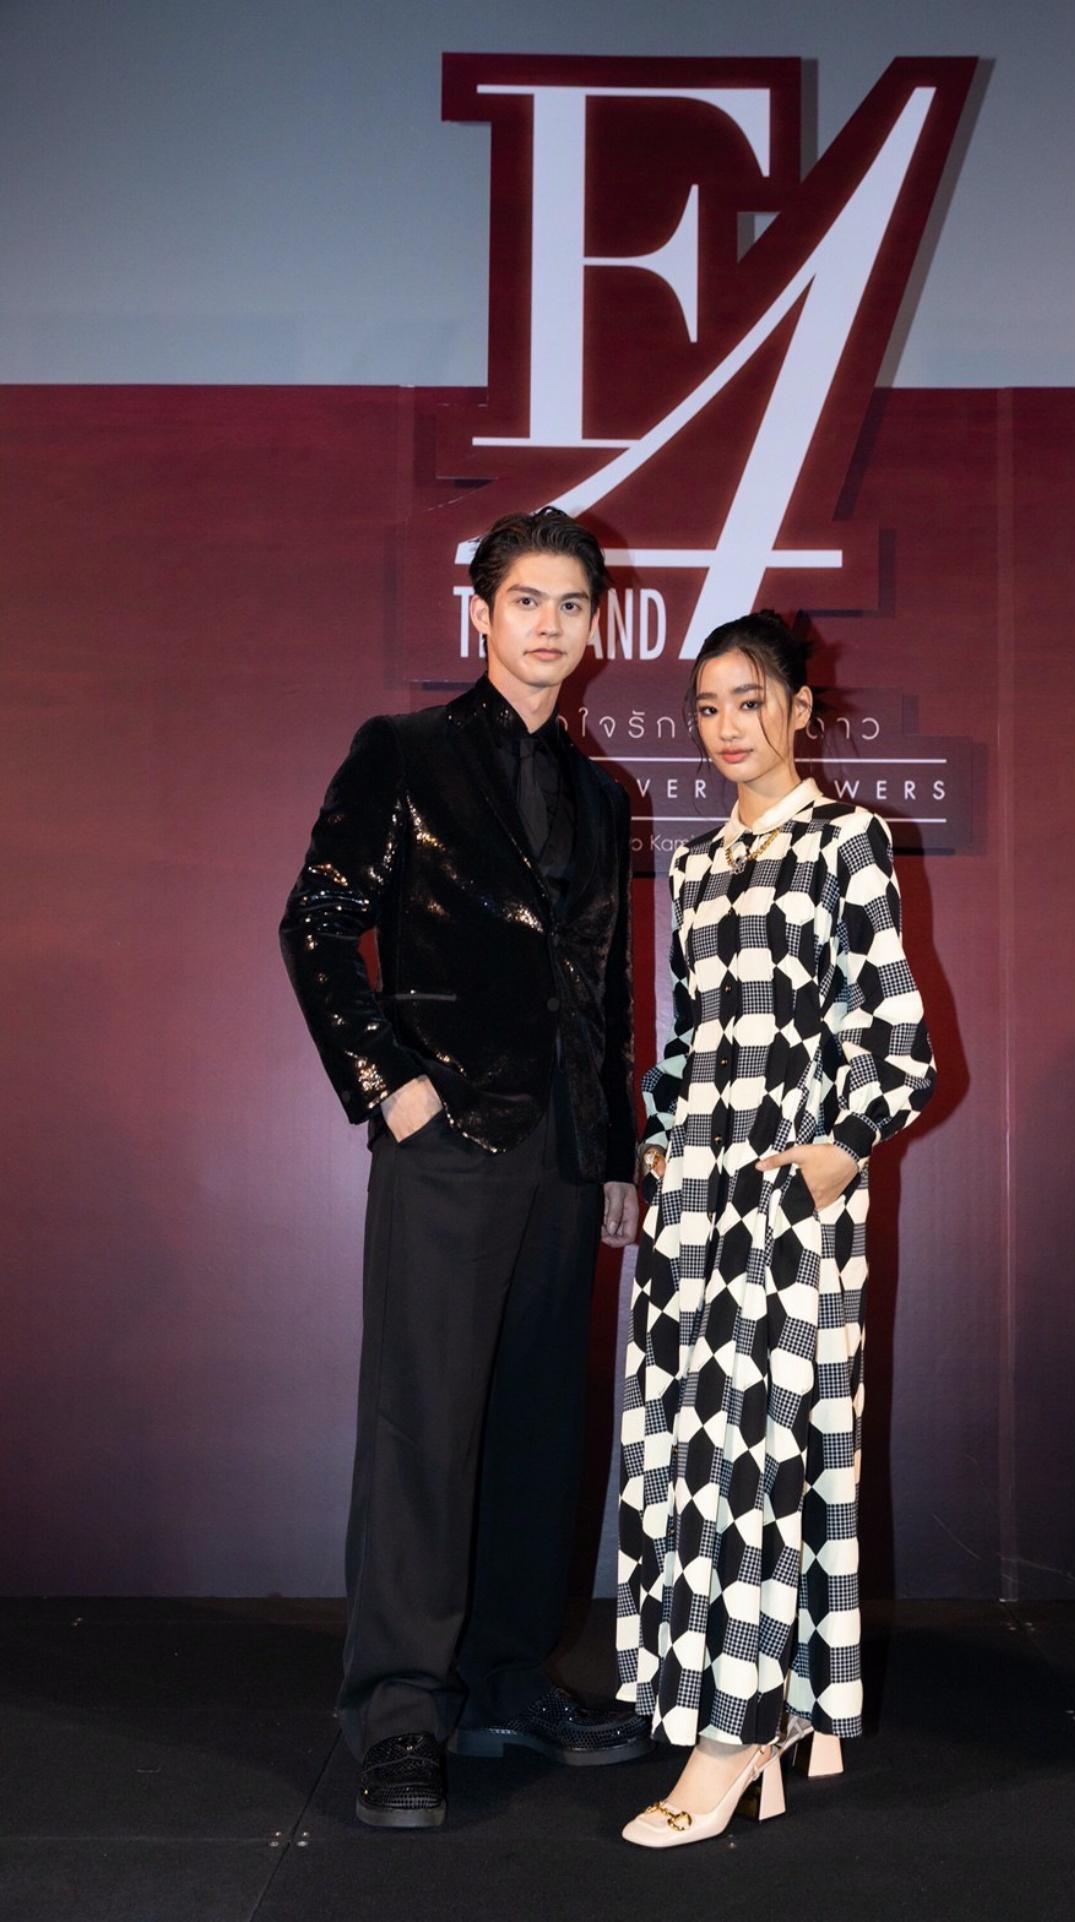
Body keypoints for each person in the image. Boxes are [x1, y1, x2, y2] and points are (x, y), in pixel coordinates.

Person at [280, 506, 647, 1831]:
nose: (549, 624)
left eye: (571, 604)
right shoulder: (404, 751)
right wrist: (394, 1083)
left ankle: (504, 1677)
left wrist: (610, 1145)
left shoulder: (601, 796)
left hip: (562, 1153)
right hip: (447, 1145)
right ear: (480, 613)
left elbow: (601, 986)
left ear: (596, 626)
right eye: (526, 600)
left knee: (540, 1428)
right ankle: (400, 1711)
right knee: (424, 1429)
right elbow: (316, 924)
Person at [616, 611, 937, 1847]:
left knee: (764, 1460)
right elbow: (687, 1036)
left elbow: (899, 1044)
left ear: (800, 706)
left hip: (787, 1205)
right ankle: (787, 1707)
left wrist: (832, 1153)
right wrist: (656, 1144)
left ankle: (735, 1735)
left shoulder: (847, 839)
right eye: (705, 706)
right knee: (690, 1459)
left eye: (747, 699)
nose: (725, 726)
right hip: (689, 1206)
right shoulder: (694, 864)